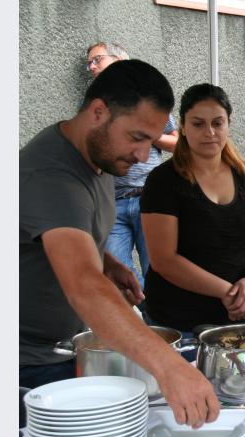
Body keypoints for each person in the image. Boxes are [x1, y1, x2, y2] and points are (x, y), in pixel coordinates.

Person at [20, 59, 220, 428]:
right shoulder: (52, 175)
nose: (144, 155)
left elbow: (56, 235)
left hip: (61, 351)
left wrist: (107, 262)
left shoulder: (94, 156)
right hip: (26, 368)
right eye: (137, 137)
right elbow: (83, 284)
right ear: (99, 111)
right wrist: (169, 366)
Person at [140, 83, 245, 335]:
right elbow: (163, 260)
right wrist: (226, 292)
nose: (209, 132)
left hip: (243, 318)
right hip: (178, 325)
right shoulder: (162, 181)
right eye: (198, 124)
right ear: (182, 126)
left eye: (217, 123)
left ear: (228, 124)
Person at [87, 42, 179, 289]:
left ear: (119, 60)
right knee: (117, 275)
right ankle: (147, 311)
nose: (92, 67)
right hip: (112, 202)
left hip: (147, 197)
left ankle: (158, 322)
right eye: (90, 63)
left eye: (97, 59)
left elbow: (178, 144)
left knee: (157, 268)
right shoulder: (95, 105)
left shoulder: (147, 98)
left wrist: (146, 133)